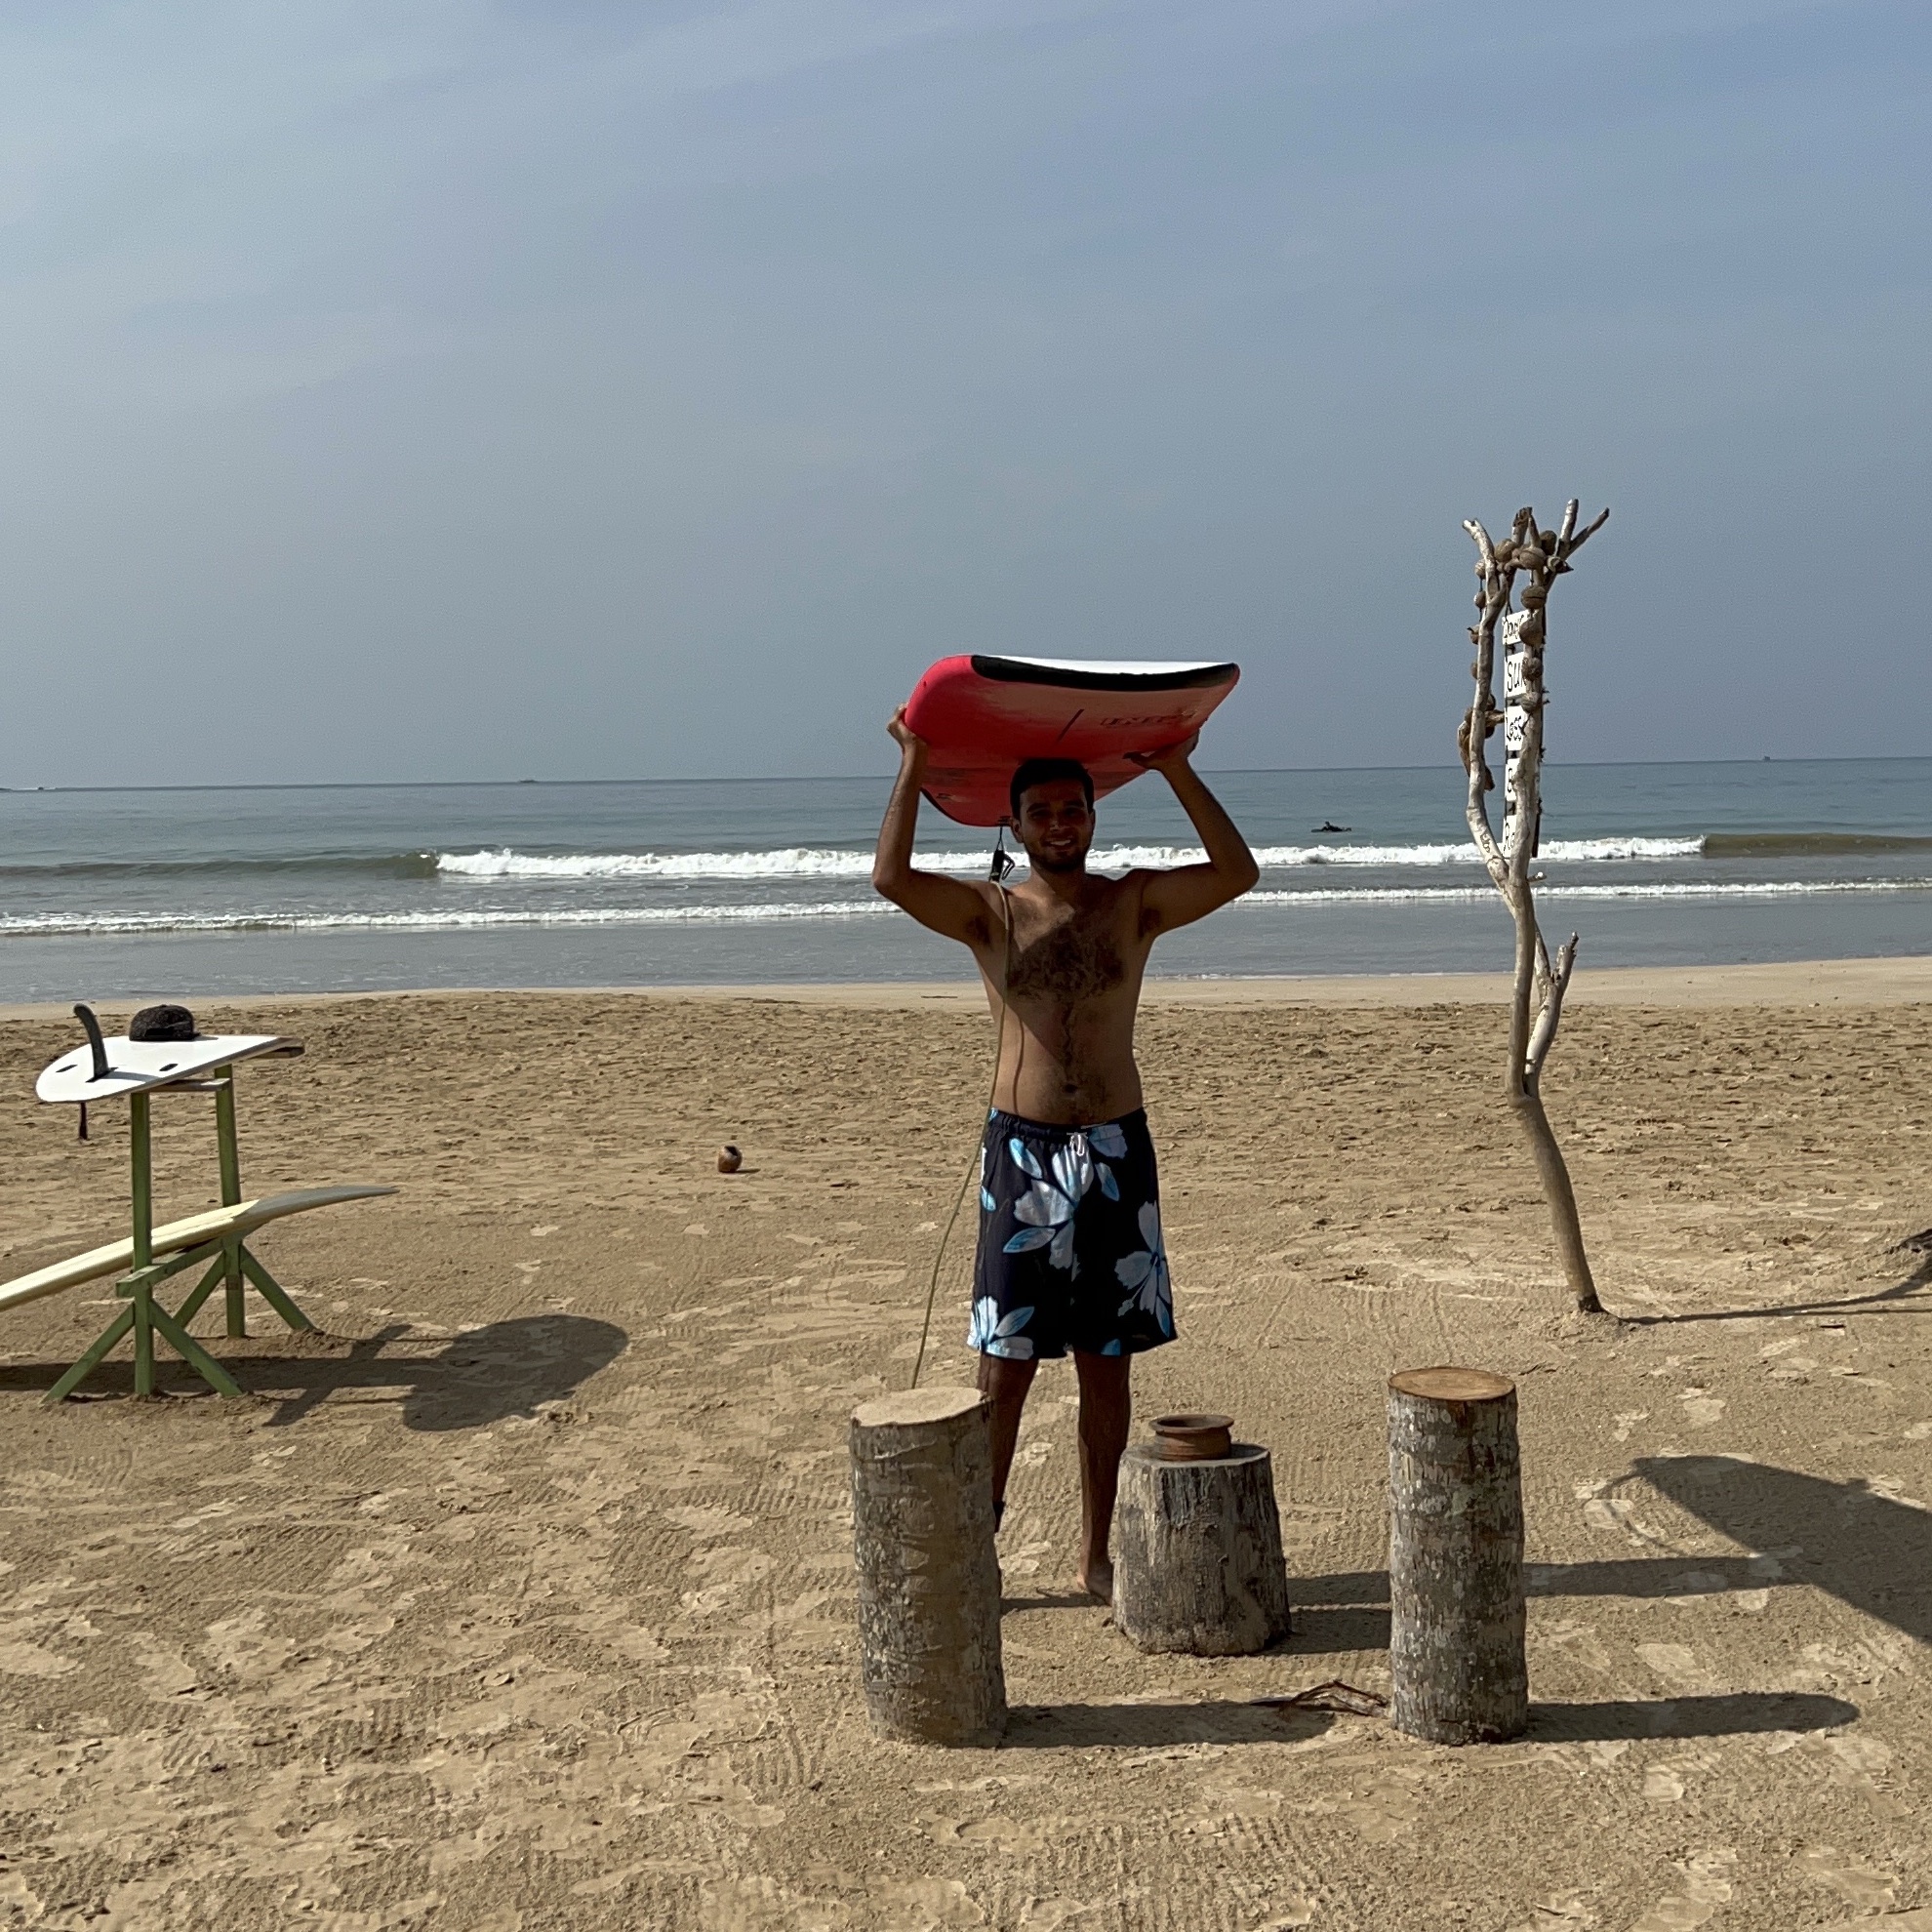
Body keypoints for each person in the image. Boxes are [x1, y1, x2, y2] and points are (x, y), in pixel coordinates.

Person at [873, 712, 1259, 1598]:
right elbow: (890, 876)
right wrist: (914, 760)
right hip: (1026, 1157)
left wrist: (1175, 769)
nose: (1059, 822)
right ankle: (983, 1544)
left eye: (1072, 808)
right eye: (1041, 810)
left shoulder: (1132, 904)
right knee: (1002, 1369)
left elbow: (1238, 873)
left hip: (1119, 1151)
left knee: (1107, 1365)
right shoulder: (990, 913)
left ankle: (1095, 1555)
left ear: (1092, 817)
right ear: (1014, 825)